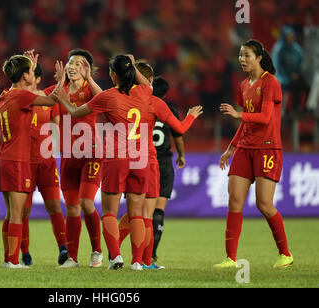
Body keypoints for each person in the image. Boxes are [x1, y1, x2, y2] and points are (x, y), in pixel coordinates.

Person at [54, 54, 202, 270]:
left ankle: (115, 257)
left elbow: (76, 113)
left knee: (110, 213)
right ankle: (137, 262)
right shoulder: (147, 95)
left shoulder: (108, 96)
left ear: (113, 75)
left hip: (116, 159)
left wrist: (63, 99)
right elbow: (179, 128)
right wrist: (190, 117)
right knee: (138, 215)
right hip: (141, 160)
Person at [216, 39, 293, 268]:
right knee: (235, 201)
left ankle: (285, 254)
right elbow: (246, 123)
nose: (242, 59)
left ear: (259, 57)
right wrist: (231, 148)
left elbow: (265, 117)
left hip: (267, 147)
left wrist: (238, 115)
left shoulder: (270, 83)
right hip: (245, 148)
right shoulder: (244, 85)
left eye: (247, 55)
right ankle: (230, 258)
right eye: (240, 55)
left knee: (264, 204)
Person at [0, 51, 59, 268]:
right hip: (17, 161)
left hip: (4, 158)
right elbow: (52, 99)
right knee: (16, 214)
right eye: (31, 71)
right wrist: (60, 80)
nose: (33, 74)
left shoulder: (6, 95)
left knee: (11, 214)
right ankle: (12, 261)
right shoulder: (22, 97)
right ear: (25, 76)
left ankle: (9, 258)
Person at [116, 62, 198, 270]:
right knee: (147, 216)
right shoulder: (154, 102)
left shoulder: (120, 98)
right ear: (149, 81)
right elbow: (179, 128)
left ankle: (114, 251)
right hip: (150, 161)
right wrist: (191, 116)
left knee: (132, 212)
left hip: (126, 159)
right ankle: (144, 261)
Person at [44, 49, 104, 268]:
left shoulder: (90, 89)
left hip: (92, 153)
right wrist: (32, 72)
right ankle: (72, 258)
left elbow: (103, 98)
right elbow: (36, 99)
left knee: (86, 202)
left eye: (79, 63)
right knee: (71, 208)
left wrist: (89, 78)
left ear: (87, 68)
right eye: (70, 62)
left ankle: (97, 251)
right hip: (69, 155)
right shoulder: (59, 90)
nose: (72, 66)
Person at [20, 61, 68, 266]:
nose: (26, 79)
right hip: (24, 162)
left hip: (46, 161)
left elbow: (56, 127)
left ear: (38, 79)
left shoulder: (48, 101)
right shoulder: (20, 98)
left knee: (54, 206)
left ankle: (63, 248)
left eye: (29, 74)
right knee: (23, 210)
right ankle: (25, 253)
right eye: (24, 75)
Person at [150, 76, 186, 264]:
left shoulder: (142, 105)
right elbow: (178, 136)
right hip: (163, 162)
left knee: (141, 210)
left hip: (144, 160)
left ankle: (123, 253)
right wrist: (181, 155)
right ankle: (152, 254)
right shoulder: (168, 109)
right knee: (158, 211)